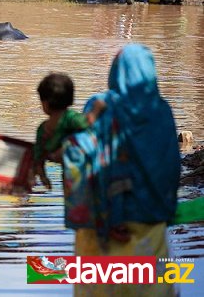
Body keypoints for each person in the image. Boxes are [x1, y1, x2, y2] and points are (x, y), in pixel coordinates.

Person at [62, 44, 180, 296]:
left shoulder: (101, 107)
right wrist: (164, 212)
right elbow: (170, 170)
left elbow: (81, 160)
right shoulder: (162, 112)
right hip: (150, 223)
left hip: (101, 228)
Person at [33, 73, 105, 190]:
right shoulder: (70, 118)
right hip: (81, 171)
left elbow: (38, 155)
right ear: (70, 99)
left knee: (72, 204)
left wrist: (43, 176)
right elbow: (87, 123)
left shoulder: (42, 128)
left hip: (66, 174)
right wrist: (97, 108)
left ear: (45, 104)